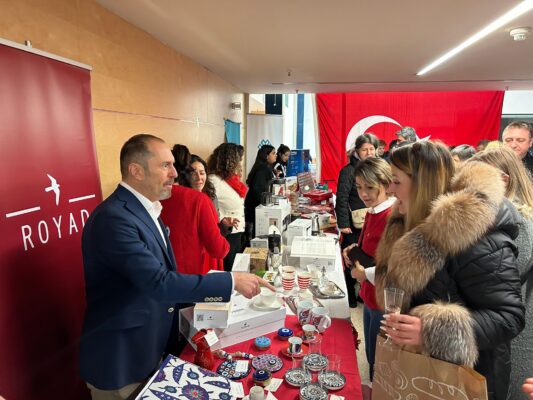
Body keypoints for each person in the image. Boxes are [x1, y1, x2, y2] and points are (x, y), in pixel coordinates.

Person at [79, 134, 272, 399]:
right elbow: (159, 282)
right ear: (136, 171)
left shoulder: (148, 209)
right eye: (165, 166)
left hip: (151, 348)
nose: (174, 173)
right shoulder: (114, 218)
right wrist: (231, 281)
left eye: (172, 165)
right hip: (122, 359)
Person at [377, 141, 524, 400]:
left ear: (421, 184)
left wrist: (432, 332)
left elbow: (509, 317)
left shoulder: (479, 239)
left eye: (396, 181)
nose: (389, 189)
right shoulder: (408, 225)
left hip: (463, 381)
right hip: (421, 376)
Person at [470, 147, 533, 400]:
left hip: (515, 337)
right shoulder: (509, 216)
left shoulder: (519, 223)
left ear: (503, 180)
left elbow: (507, 276)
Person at [341, 157, 395, 382]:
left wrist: (364, 274)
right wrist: (354, 249)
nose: (363, 193)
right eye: (359, 187)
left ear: (386, 184)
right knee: (371, 352)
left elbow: (395, 265)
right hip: (370, 294)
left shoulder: (392, 216)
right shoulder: (374, 211)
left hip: (383, 297)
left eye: (370, 187)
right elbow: (370, 245)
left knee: (380, 359)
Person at [160, 153, 229, 275]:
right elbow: (218, 248)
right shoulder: (198, 200)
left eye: (202, 173)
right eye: (193, 173)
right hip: (195, 265)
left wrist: (222, 226)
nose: (199, 177)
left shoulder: (159, 196)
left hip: (166, 268)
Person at [335, 133, 379, 308]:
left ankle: (362, 293)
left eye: (372, 149)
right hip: (353, 224)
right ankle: (350, 297)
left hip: (371, 220)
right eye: (364, 150)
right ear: (357, 151)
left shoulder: (377, 168)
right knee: (351, 258)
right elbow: (342, 197)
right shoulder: (348, 171)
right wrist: (343, 224)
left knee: (367, 258)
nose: (369, 153)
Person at [207, 143, 247, 272]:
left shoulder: (232, 180)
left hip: (237, 233)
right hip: (225, 235)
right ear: (229, 160)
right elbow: (208, 209)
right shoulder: (213, 181)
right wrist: (222, 220)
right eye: (239, 160)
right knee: (228, 272)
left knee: (235, 270)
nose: (240, 164)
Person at [245, 144, 276, 238]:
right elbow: (257, 191)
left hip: (258, 205)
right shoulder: (262, 169)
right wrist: (267, 204)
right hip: (256, 206)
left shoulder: (266, 167)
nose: (276, 155)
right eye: (273, 153)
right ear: (266, 156)